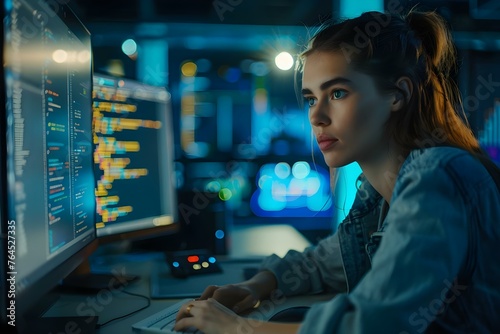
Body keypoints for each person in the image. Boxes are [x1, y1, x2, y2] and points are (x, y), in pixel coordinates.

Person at [174, 9, 500, 334]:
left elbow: (371, 328)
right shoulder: (377, 191)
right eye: (310, 99)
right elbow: (319, 264)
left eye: (338, 93)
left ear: (397, 95)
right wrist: (254, 286)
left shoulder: (435, 176)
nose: (317, 116)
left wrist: (238, 328)